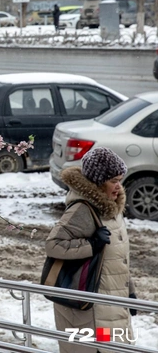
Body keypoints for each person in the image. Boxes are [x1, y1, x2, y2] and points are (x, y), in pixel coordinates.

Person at [46, 147, 136, 353]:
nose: (118, 187)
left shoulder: (111, 209)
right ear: (98, 181)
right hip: (89, 311)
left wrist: (129, 291)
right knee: (100, 348)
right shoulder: (83, 209)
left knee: (114, 346)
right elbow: (53, 245)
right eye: (113, 180)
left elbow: (118, 258)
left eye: (120, 179)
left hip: (110, 305)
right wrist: (91, 245)